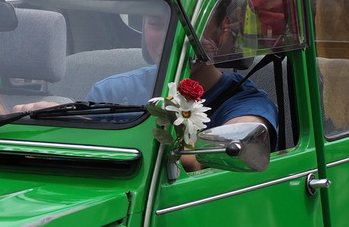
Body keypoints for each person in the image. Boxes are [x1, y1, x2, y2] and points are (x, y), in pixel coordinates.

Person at [87, 13, 278, 145]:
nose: (173, 38)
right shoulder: (111, 92)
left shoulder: (248, 104)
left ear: (222, 28)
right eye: (156, 24)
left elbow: (236, 143)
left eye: (191, 27)